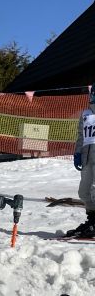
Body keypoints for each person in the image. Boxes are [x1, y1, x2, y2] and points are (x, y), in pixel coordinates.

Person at [68, 85, 95, 238]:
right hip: (86, 158)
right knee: (84, 192)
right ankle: (92, 220)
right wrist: (77, 153)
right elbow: (81, 135)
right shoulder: (85, 114)